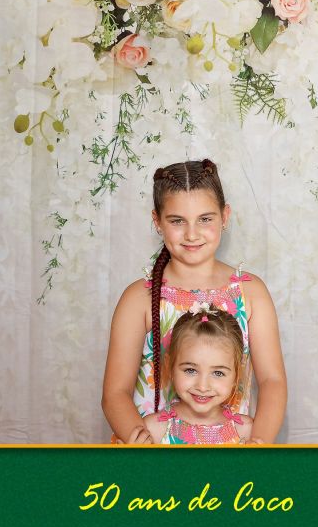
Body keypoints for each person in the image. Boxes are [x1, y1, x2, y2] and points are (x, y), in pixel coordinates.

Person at [102, 159, 286, 444]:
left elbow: (272, 381)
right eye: (177, 221)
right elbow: (115, 393)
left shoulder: (251, 293)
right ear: (157, 222)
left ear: (224, 216)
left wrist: (257, 444)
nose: (191, 233)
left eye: (205, 219)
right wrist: (143, 447)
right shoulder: (138, 298)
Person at [132, 305, 254, 445]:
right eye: (190, 370)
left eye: (218, 373)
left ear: (236, 375)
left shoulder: (245, 431)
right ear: (170, 366)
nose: (202, 387)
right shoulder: (153, 430)